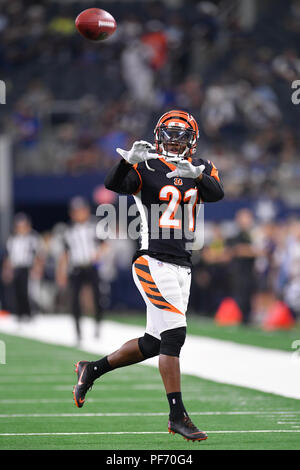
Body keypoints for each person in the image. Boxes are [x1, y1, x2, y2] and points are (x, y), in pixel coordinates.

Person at [72, 110, 224, 441]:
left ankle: (92, 369)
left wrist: (196, 175)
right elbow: (113, 183)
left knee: (154, 342)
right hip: (152, 261)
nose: (173, 139)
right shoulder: (148, 165)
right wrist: (127, 162)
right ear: (158, 134)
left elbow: (216, 193)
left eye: (180, 134)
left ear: (192, 139)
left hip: (183, 264)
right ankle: (177, 416)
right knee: (175, 335)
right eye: (168, 133)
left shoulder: (203, 167)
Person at [56, 197, 107, 341]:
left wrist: (98, 255)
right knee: (74, 300)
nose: (79, 214)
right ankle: (78, 331)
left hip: (91, 266)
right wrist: (61, 272)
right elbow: (65, 254)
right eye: (76, 211)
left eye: (81, 210)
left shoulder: (94, 226)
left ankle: (98, 325)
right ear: (72, 214)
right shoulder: (69, 231)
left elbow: (104, 245)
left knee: (98, 297)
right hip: (77, 267)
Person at [1, 213, 42, 321]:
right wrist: (7, 270)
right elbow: (8, 257)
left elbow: (38, 255)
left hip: (28, 268)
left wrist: (37, 268)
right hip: (16, 268)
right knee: (17, 291)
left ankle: (30, 313)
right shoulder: (12, 239)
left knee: (28, 292)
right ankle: (19, 314)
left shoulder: (33, 238)